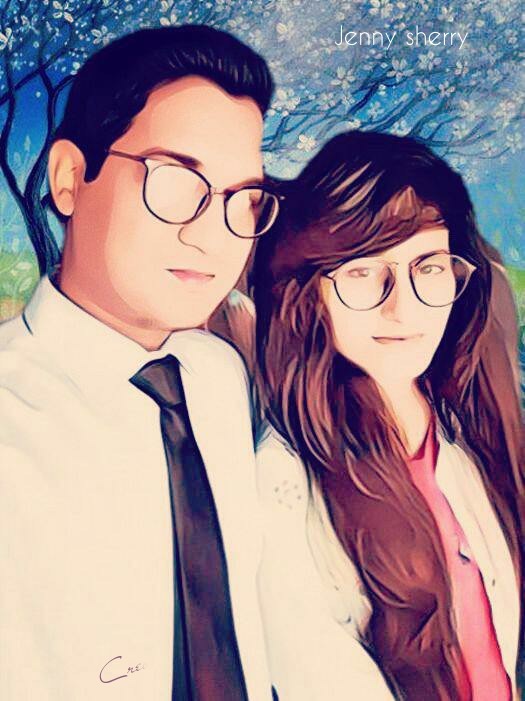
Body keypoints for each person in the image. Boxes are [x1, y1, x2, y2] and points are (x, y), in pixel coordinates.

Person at [0, 25, 282, 700]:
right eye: (176, 181)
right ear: (70, 178)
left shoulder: (218, 376)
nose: (211, 234)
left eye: (242, 200)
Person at [252, 131, 523, 700]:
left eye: (429, 267)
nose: (403, 306)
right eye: (362, 271)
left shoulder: (467, 427)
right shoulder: (281, 483)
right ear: (310, 288)